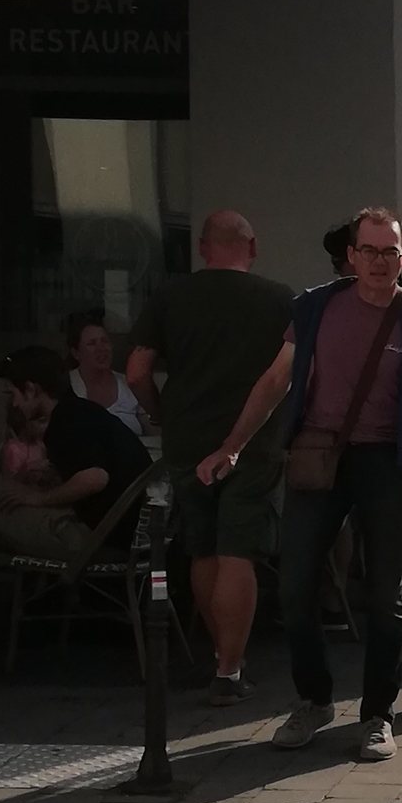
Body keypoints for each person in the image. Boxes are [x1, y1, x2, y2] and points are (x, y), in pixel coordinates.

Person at [200, 205, 402, 762]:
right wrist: (233, 445)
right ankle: (315, 700)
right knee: (295, 590)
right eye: (369, 250)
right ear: (351, 256)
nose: (379, 262)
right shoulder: (316, 308)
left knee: (384, 598)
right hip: (319, 455)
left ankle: (377, 716)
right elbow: (275, 380)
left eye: (390, 252)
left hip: (389, 461)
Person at [127, 213, 294, 704]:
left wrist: (160, 412)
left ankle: (222, 656)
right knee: (238, 550)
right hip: (255, 441)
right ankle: (229, 669)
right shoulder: (280, 298)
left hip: (187, 437)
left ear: (202, 249)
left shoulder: (171, 296)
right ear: (254, 246)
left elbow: (137, 371)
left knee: (202, 547)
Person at [0, 345, 149, 669]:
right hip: (115, 536)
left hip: (92, 540)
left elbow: (95, 477)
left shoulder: (67, 421)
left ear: (32, 389)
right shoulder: (83, 413)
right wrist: (52, 473)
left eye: (14, 393)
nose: (14, 403)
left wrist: (38, 498)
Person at [67, 312, 147, 437]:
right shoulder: (65, 386)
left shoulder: (130, 384)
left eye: (104, 341)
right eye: (92, 343)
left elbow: (152, 431)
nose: (101, 348)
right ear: (76, 353)